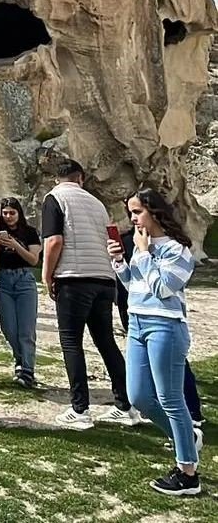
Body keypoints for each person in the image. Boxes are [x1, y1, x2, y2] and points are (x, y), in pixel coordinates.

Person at [109, 188, 201, 496]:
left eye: (137, 212)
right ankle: (186, 435)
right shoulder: (140, 245)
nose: (133, 219)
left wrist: (145, 254)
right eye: (131, 213)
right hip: (136, 322)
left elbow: (163, 289)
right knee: (138, 396)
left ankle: (188, 473)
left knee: (171, 398)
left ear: (154, 212)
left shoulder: (179, 249)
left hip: (166, 326)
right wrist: (120, 262)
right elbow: (134, 286)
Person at [41, 159, 137, 429]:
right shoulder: (97, 204)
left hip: (74, 278)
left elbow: (54, 241)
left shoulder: (54, 198)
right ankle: (125, 405)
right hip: (104, 279)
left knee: (71, 342)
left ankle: (80, 409)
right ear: (80, 178)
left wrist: (47, 275)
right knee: (106, 341)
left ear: (56, 179)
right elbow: (112, 239)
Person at [0, 197, 41, 387]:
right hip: (4, 281)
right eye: (5, 213)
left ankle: (27, 370)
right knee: (9, 328)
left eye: (12, 213)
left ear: (19, 213)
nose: (8, 217)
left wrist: (15, 245)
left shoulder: (30, 232)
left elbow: (33, 260)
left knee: (26, 330)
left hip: (24, 281)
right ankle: (20, 360)